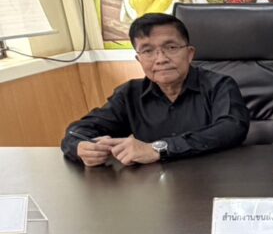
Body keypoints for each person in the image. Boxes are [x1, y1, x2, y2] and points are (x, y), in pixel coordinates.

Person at [61, 13, 249, 166]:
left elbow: (232, 129)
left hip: (212, 180)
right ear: (139, 59)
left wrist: (159, 148)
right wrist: (81, 147)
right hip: (153, 188)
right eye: (148, 51)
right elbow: (77, 132)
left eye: (171, 47)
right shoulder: (129, 94)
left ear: (189, 53)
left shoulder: (219, 85)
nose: (161, 59)